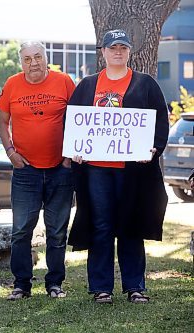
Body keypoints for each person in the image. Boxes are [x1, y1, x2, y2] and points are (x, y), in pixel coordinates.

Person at [68, 30, 169, 304]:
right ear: (103, 52)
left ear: (129, 52)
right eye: (113, 47)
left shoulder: (145, 84)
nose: (118, 52)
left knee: (130, 224)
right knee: (101, 225)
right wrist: (75, 149)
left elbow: (160, 120)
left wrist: (154, 148)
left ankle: (134, 287)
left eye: (123, 47)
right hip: (96, 169)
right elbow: (73, 124)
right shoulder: (88, 85)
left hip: (132, 168)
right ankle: (101, 288)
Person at [0, 41, 75, 300]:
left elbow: (78, 118)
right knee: (21, 230)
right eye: (28, 59)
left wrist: (68, 157)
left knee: (57, 231)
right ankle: (21, 284)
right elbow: (3, 120)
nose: (33, 63)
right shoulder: (12, 84)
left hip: (60, 170)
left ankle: (54, 283)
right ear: (22, 62)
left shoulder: (64, 82)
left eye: (38, 57)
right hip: (25, 170)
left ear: (46, 58)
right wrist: (10, 152)